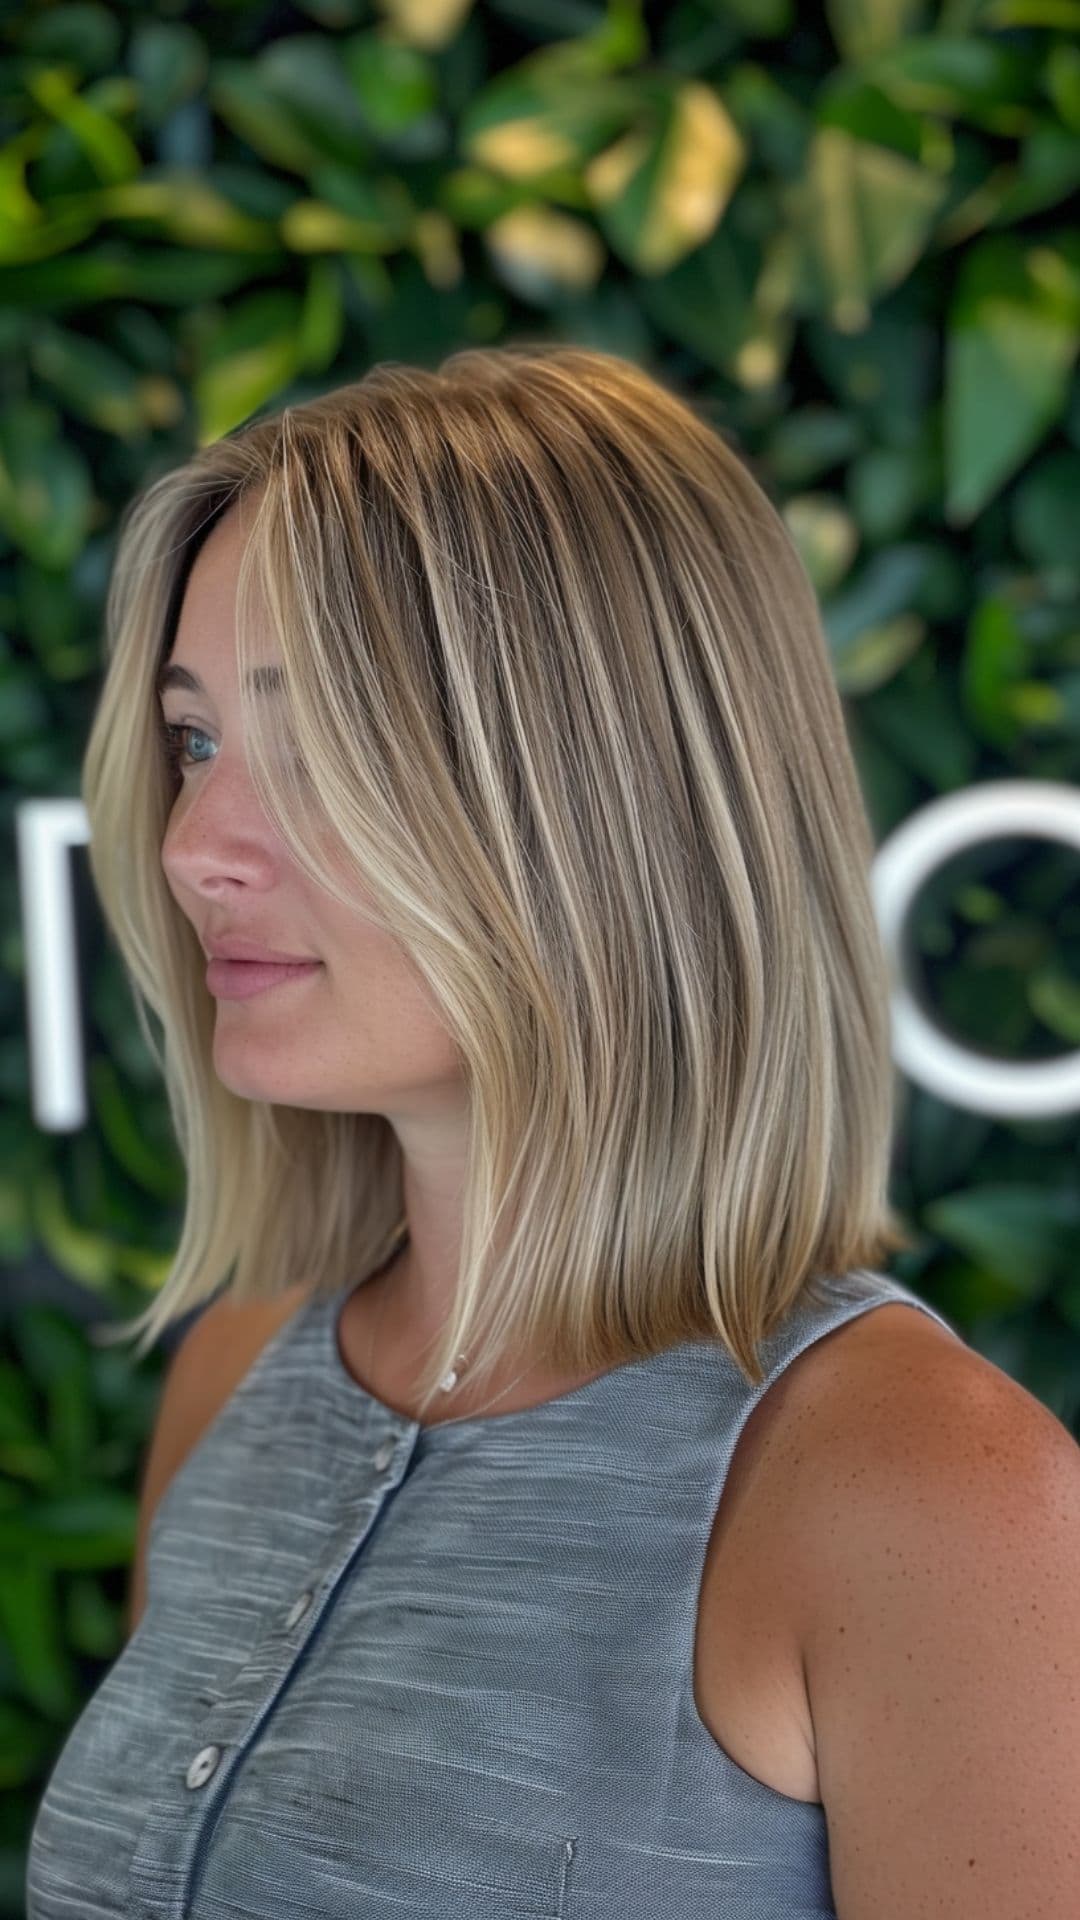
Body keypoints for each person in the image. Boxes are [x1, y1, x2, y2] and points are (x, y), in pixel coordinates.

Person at [26, 345, 1079, 1919]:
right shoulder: (234, 1378)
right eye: (197, 743)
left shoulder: (929, 1492)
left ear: (594, 799)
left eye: (315, 750)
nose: (191, 850)